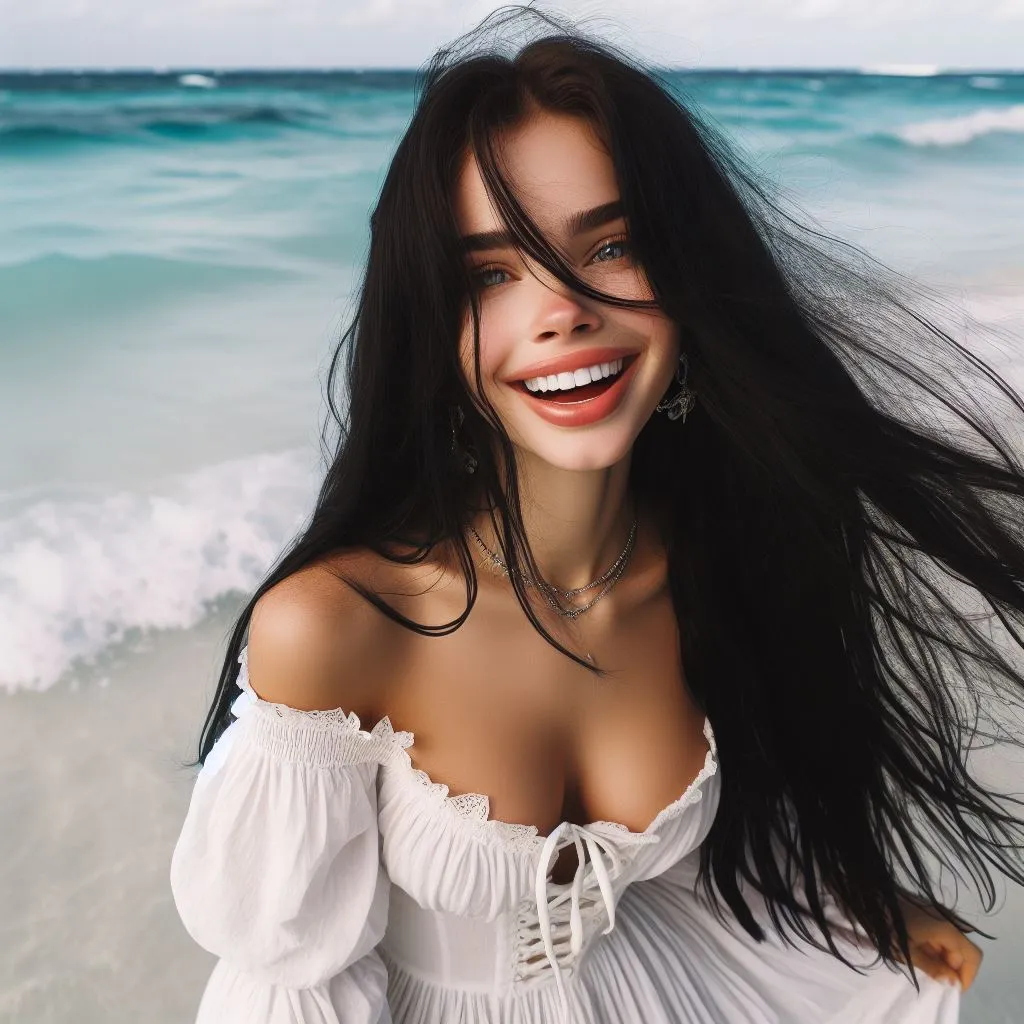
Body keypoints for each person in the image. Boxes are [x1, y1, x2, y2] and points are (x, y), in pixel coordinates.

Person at [170, 7, 1024, 1023]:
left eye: (611, 245)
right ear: (430, 322)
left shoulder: (717, 552)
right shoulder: (339, 628)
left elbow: (717, 839)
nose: (560, 307)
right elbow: (285, 979)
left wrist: (856, 897)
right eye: (489, 273)